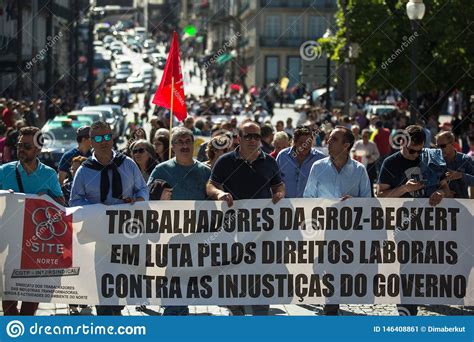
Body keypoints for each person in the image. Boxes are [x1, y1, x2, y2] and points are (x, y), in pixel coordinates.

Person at [70, 121, 149, 316]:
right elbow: (75, 201)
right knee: (103, 285)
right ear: (91, 142)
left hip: (127, 234)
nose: (104, 142)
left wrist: (138, 199)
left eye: (107, 137)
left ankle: (116, 310)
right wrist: (99, 209)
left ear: (112, 138)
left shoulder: (127, 163)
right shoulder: (84, 170)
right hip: (99, 237)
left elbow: (143, 188)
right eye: (98, 138)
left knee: (121, 283)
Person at [207, 121, 285, 316]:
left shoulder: (269, 162)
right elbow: (211, 185)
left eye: (256, 136)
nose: (252, 140)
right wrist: (219, 194)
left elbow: (278, 186)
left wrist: (279, 194)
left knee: (259, 276)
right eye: (248, 136)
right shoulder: (225, 161)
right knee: (234, 279)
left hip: (260, 232)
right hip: (232, 230)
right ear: (238, 138)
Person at [377, 125, 451, 316]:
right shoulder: (391, 163)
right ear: (402, 142)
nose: (415, 155)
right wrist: (403, 190)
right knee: (408, 266)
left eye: (419, 151)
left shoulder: (431, 158)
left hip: (432, 222)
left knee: (427, 267)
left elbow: (446, 189)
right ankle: (407, 310)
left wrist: (440, 193)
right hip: (405, 223)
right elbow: (381, 195)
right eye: (411, 150)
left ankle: (418, 301)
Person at [304, 126, 371, 315]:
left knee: (341, 271)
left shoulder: (359, 171)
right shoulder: (318, 167)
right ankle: (331, 306)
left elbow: (368, 200)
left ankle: (332, 305)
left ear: (346, 145)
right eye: (329, 138)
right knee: (324, 268)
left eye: (333, 139)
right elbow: (307, 197)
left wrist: (355, 202)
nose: (328, 142)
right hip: (322, 229)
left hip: (349, 232)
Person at [0, 126, 65, 315]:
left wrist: (46, 199)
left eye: (26, 146)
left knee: (30, 303)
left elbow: (62, 207)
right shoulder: (3, 171)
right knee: (9, 301)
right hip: (10, 244)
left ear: (38, 149)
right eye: (19, 145)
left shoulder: (49, 174)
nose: (20, 149)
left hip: (36, 247)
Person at [147, 127, 211, 315]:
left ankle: (179, 312)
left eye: (187, 141)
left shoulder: (205, 172)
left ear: (193, 144)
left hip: (197, 236)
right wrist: (158, 197)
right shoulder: (161, 169)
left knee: (187, 280)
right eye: (180, 142)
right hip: (170, 236)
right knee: (172, 278)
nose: (184, 145)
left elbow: (212, 203)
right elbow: (146, 197)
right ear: (173, 146)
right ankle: (173, 314)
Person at [277, 126, 325, 198]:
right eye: (302, 143)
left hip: (311, 206)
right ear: (294, 142)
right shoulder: (282, 156)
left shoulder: (320, 158)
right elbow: (275, 180)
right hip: (286, 206)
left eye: (309, 142)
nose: (305, 146)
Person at [435, 131, 474, 199]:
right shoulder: (435, 161)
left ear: (452, 144)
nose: (439, 149)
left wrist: (461, 175)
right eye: (437, 146)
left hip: (463, 202)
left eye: (442, 146)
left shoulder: (465, 159)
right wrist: (444, 192)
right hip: (441, 204)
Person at [351, 128, 380, 196]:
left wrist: (371, 156)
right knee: (359, 181)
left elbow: (377, 154)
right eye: (363, 136)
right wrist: (355, 152)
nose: (364, 138)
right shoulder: (358, 143)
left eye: (366, 136)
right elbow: (352, 150)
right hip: (359, 165)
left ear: (368, 137)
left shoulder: (372, 144)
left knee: (370, 181)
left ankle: (371, 196)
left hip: (370, 165)